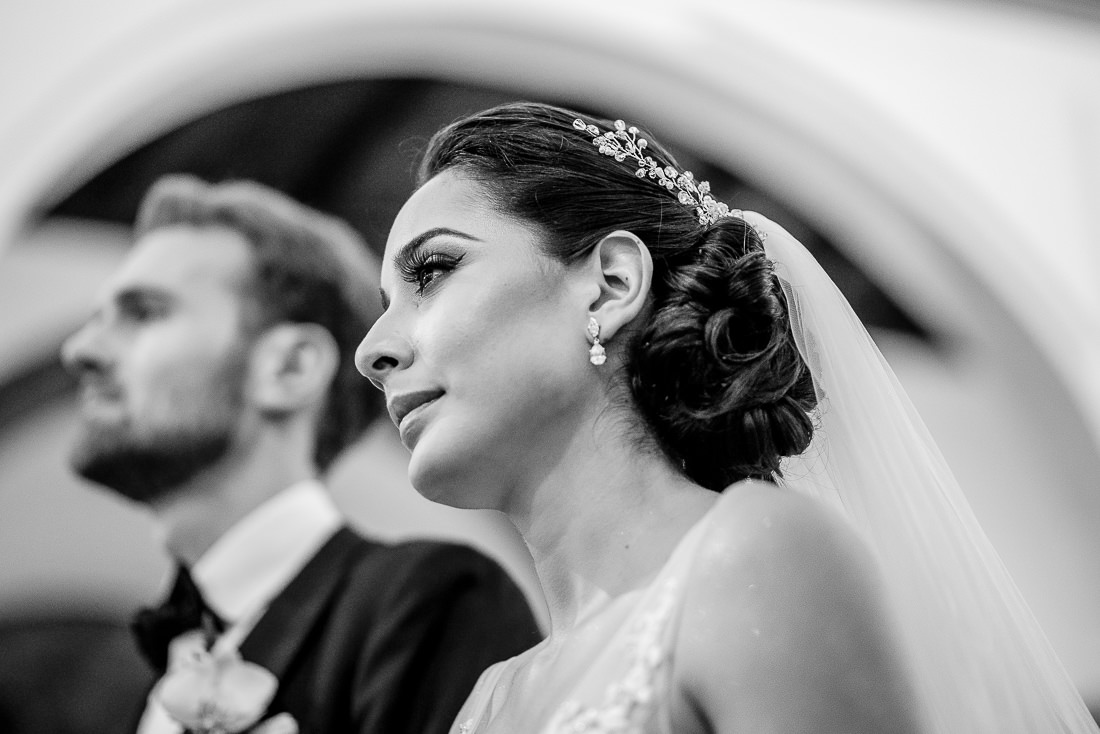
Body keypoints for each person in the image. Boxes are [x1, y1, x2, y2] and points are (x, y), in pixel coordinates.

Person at [354, 101, 1100, 733]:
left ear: (611, 284)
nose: (373, 350)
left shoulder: (753, 556)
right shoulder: (490, 703)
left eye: (432, 272)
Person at [61, 174, 542, 734]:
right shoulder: (159, 678)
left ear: (289, 369)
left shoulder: (432, 606)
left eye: (145, 312)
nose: (81, 350)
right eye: (97, 321)